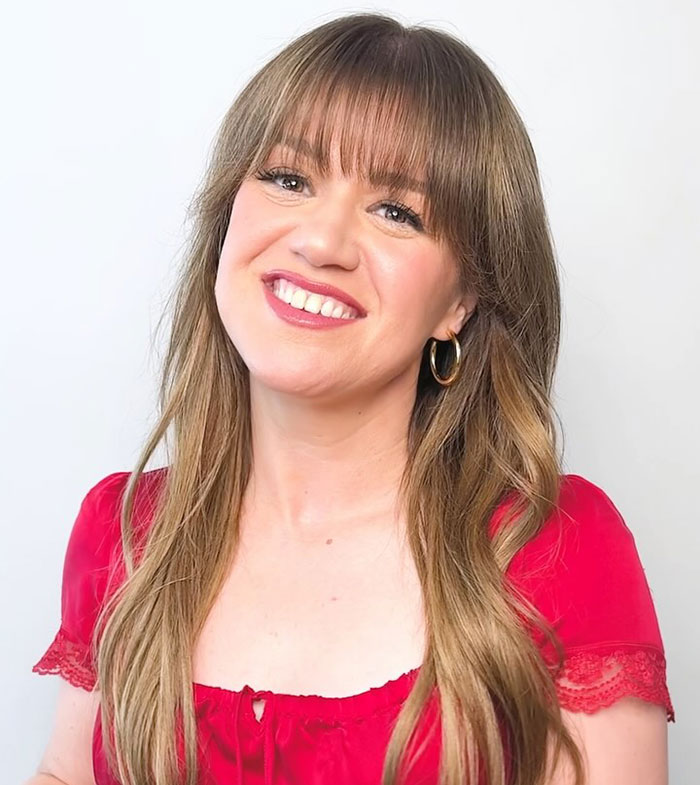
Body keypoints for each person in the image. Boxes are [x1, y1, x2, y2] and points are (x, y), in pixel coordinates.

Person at [27, 11, 674, 785]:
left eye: (397, 211)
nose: (323, 241)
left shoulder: (557, 548)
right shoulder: (125, 531)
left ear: (459, 302)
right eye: (288, 178)